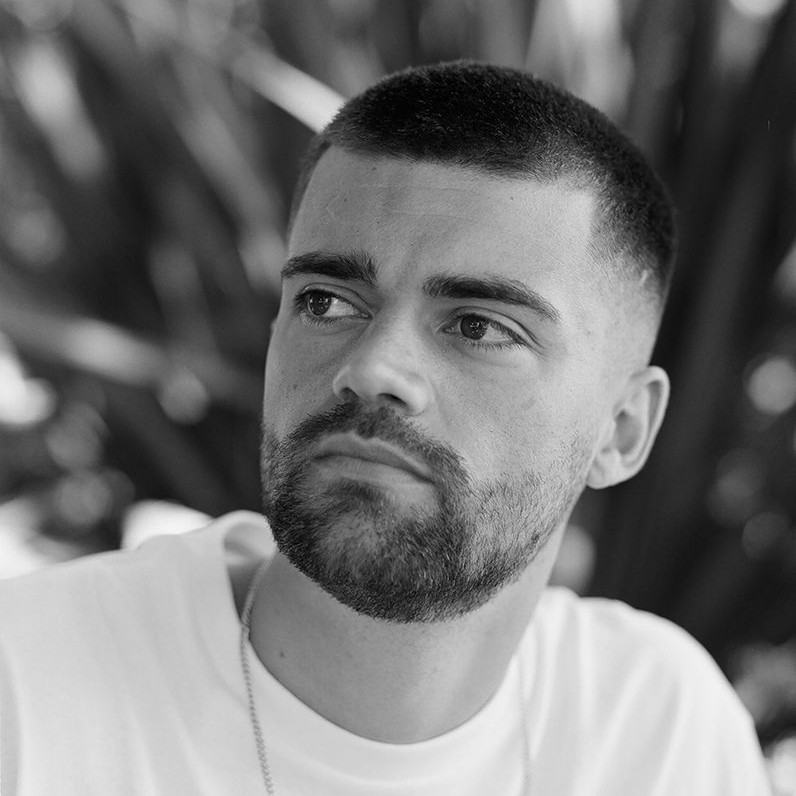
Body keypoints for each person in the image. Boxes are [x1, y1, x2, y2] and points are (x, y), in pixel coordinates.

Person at [0, 61, 771, 795]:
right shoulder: (26, 695)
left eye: (478, 326)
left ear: (622, 430)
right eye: (326, 302)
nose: (371, 369)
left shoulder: (660, 731)